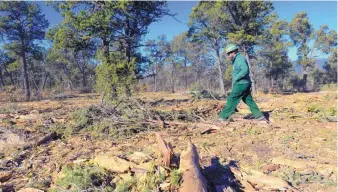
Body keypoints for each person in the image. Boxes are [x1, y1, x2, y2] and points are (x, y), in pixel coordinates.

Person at [218, 43, 268, 122]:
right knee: (247, 99)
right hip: (243, 83)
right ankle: (259, 116)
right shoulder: (236, 60)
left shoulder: (240, 58)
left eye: (228, 54)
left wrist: (236, 78)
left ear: (233, 52)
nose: (228, 56)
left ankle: (223, 117)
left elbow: (245, 70)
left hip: (242, 83)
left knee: (232, 98)